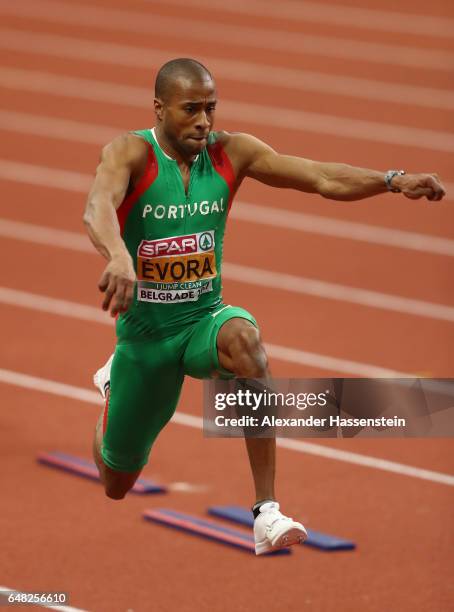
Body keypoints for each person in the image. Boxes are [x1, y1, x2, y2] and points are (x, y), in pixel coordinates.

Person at [83, 58, 445, 555]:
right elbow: (97, 205)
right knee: (115, 482)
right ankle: (112, 388)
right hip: (146, 340)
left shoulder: (233, 152)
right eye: (191, 109)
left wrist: (390, 178)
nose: (204, 121)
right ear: (160, 108)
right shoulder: (129, 153)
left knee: (248, 347)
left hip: (202, 321)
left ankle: (266, 512)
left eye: (210, 108)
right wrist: (120, 256)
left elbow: (321, 177)